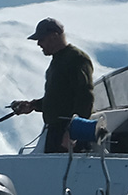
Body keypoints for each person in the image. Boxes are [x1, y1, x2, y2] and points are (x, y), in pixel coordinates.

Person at [9, 18, 96, 153]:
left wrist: (74, 132)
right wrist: (33, 105)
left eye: (41, 39)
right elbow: (60, 98)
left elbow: (85, 97)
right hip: (56, 133)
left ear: (54, 36)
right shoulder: (58, 60)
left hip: (68, 137)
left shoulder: (77, 59)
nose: (39, 44)